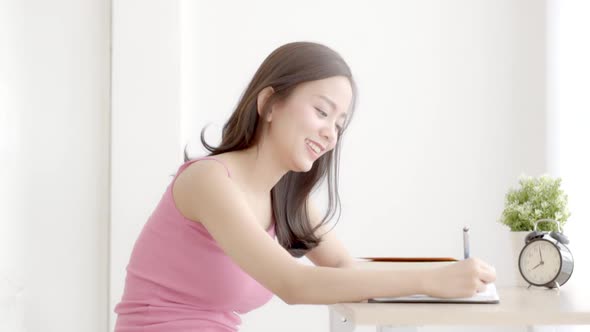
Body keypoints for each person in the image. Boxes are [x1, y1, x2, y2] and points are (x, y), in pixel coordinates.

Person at [113, 41, 496, 331]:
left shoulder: (288, 200)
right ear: (270, 104)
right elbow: (293, 283)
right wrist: (431, 280)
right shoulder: (209, 181)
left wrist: (443, 273)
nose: (330, 134)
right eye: (321, 112)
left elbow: (345, 268)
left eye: (339, 124)